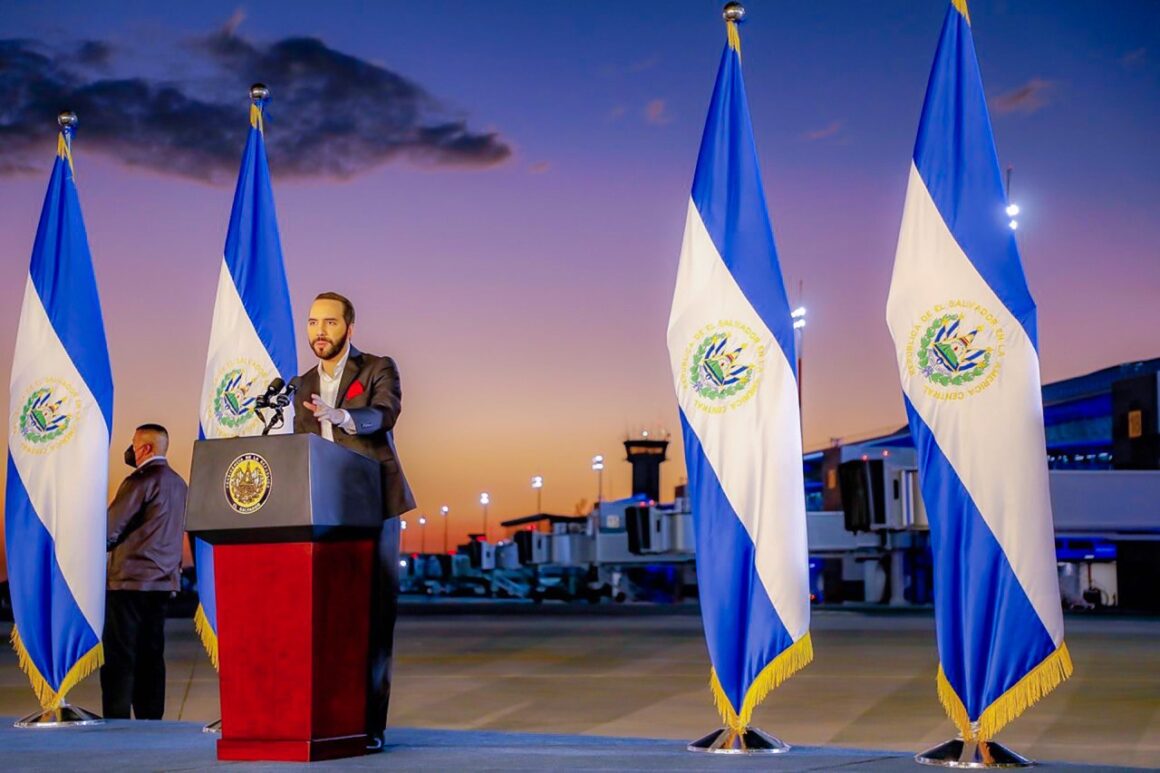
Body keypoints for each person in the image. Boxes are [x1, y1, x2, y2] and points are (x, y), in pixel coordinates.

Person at [294, 292, 416, 750]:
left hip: (374, 505)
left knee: (373, 619)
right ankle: (328, 717)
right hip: (321, 511)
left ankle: (370, 727)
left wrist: (343, 416)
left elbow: (385, 414)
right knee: (326, 617)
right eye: (311, 322)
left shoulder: (378, 367)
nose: (319, 331)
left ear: (350, 328)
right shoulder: (300, 383)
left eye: (329, 322)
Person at [101, 423, 188, 720]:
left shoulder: (139, 481)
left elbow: (110, 529)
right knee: (152, 654)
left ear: (146, 448)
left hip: (128, 583)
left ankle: (117, 719)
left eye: (134, 444)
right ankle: (151, 718)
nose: (131, 450)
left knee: (120, 655)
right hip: (162, 584)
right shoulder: (179, 484)